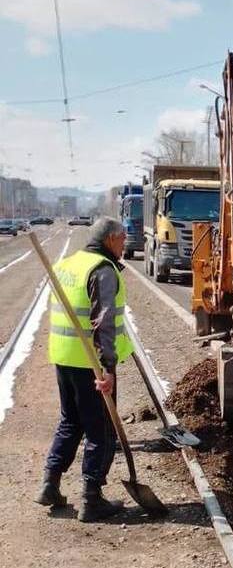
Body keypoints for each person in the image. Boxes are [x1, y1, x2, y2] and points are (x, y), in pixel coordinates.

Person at [35, 216, 134, 522]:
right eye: (122, 239)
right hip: (89, 362)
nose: (125, 244)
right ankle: (92, 499)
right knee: (100, 429)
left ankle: (49, 483)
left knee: (70, 421)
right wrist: (107, 368)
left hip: (63, 356)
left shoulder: (70, 263)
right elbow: (102, 321)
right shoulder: (102, 270)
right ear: (110, 239)